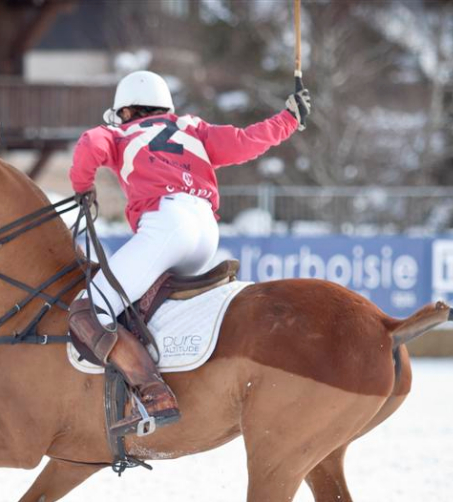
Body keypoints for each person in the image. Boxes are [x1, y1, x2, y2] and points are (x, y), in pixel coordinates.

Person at [67, 70, 311, 432]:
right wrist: (289, 119)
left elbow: (90, 144)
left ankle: (153, 395)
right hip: (206, 232)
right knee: (139, 299)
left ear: (128, 111)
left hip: (167, 225)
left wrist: (82, 187)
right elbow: (247, 141)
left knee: (90, 307)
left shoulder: (120, 133)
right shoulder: (194, 129)